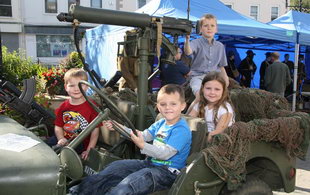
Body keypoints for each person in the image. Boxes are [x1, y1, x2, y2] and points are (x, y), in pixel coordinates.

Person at [74, 84, 192, 195]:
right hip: (150, 164)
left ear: (182, 106)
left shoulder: (181, 129)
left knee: (129, 185)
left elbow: (165, 154)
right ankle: (76, 191)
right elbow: (141, 135)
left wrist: (143, 146)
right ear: (158, 106)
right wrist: (119, 127)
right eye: (163, 104)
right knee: (114, 168)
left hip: (168, 173)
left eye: (173, 104)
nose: (168, 108)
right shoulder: (161, 123)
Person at [184, 14, 229, 113]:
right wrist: (187, 40)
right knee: (200, 96)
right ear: (200, 29)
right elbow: (188, 52)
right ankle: (187, 120)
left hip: (214, 78)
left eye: (212, 25)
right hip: (197, 77)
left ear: (216, 29)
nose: (209, 28)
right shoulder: (195, 42)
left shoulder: (220, 46)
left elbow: (221, 66)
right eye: (205, 25)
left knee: (220, 99)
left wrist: (226, 81)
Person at [52, 68, 100, 160]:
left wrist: (89, 150)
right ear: (66, 87)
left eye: (80, 85)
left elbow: (95, 132)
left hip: (79, 142)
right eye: (72, 85)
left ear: (86, 86)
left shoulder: (92, 106)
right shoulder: (64, 106)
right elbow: (58, 126)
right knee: (46, 147)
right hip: (63, 139)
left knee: (64, 154)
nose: (76, 89)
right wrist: (61, 138)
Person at [188, 71, 234, 142]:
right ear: (202, 89)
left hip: (217, 139)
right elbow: (189, 121)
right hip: (202, 134)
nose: (212, 92)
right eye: (208, 88)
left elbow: (218, 131)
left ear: (223, 91)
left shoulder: (225, 109)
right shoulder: (200, 104)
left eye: (217, 89)